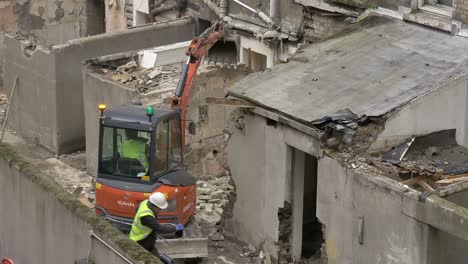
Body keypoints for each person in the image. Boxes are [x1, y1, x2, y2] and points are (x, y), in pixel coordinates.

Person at [129, 192, 184, 263]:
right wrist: (176, 228)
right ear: (154, 206)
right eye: (159, 208)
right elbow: (160, 228)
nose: (160, 210)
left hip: (146, 239)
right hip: (140, 241)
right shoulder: (146, 216)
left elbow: (137, 210)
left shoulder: (145, 202)